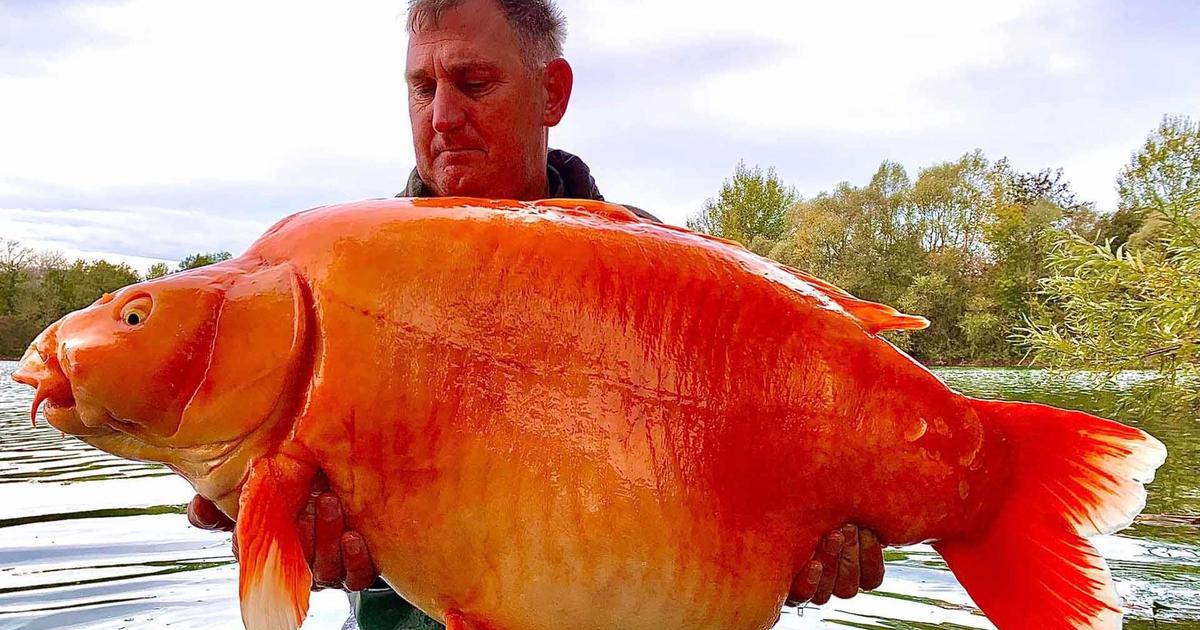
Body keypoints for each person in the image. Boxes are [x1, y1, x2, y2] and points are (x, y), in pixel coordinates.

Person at [187, 0, 887, 627]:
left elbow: (740, 526)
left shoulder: (671, 282)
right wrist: (268, 521)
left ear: (551, 92)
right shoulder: (336, 280)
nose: (442, 117)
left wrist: (799, 566)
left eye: (474, 83)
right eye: (422, 87)